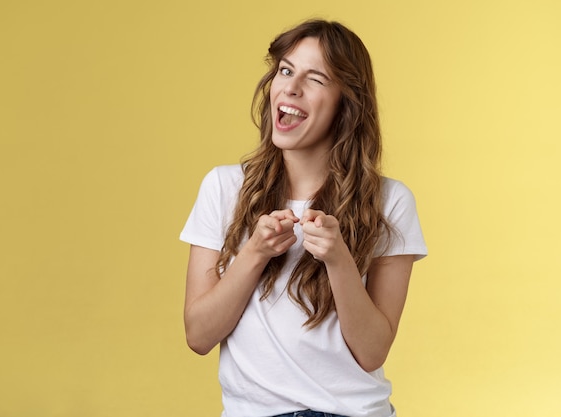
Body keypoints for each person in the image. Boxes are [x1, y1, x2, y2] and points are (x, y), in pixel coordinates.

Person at [180, 19, 427, 417]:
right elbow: (199, 335)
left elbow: (372, 351)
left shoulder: (389, 201)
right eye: (285, 70)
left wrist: (339, 260)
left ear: (347, 103)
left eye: (315, 79)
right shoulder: (223, 188)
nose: (291, 87)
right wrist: (254, 253)